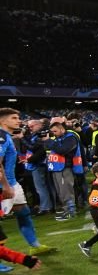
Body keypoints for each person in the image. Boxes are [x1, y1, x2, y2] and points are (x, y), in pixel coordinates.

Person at [0, 109, 53, 255]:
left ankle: (34, 245)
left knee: (23, 212)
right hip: (4, 185)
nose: (19, 120)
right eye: (14, 118)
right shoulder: (1, 136)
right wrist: (5, 186)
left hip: (12, 183)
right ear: (3, 121)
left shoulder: (7, 136)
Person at [47, 120, 83, 221]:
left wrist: (49, 141)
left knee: (66, 191)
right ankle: (66, 210)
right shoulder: (59, 138)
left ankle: (70, 212)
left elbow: (63, 150)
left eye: (55, 131)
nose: (53, 134)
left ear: (62, 129)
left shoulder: (70, 138)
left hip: (65, 167)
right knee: (61, 191)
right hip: (56, 167)